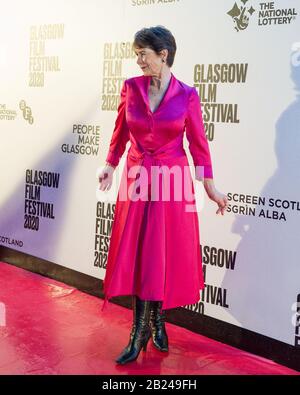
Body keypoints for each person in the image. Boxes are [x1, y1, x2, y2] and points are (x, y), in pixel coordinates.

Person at [98, 26, 228, 365]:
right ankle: (141, 328)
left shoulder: (187, 95)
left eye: (144, 53)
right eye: (136, 54)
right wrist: (110, 166)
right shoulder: (131, 88)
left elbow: (199, 144)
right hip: (138, 175)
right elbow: (120, 133)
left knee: (160, 252)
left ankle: (154, 322)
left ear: (163, 55)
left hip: (172, 180)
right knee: (140, 251)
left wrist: (210, 186)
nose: (138, 60)